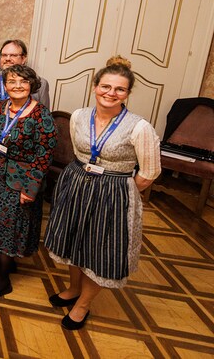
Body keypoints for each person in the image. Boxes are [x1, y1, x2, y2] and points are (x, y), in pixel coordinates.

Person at [44, 56, 161, 330]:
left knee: (100, 251)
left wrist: (121, 191)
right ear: (95, 86)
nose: (111, 93)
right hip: (76, 184)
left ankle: (83, 304)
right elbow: (79, 152)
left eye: (120, 89)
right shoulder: (79, 116)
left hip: (113, 194)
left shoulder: (139, 127)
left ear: (127, 93)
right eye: (106, 86)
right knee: (73, 241)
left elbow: (150, 171)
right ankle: (74, 289)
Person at [0, 65, 56, 299]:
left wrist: (30, 189)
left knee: (11, 228)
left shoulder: (41, 115)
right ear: (5, 85)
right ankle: (5, 262)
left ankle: (3, 281)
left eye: (23, 81)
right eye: (12, 81)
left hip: (21, 181)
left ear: (32, 84)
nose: (17, 86)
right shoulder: (0, 108)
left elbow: (44, 156)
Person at [0, 39, 50, 108]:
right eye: (4, 55)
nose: (7, 59)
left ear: (23, 59)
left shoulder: (41, 84)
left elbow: (44, 113)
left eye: (13, 55)